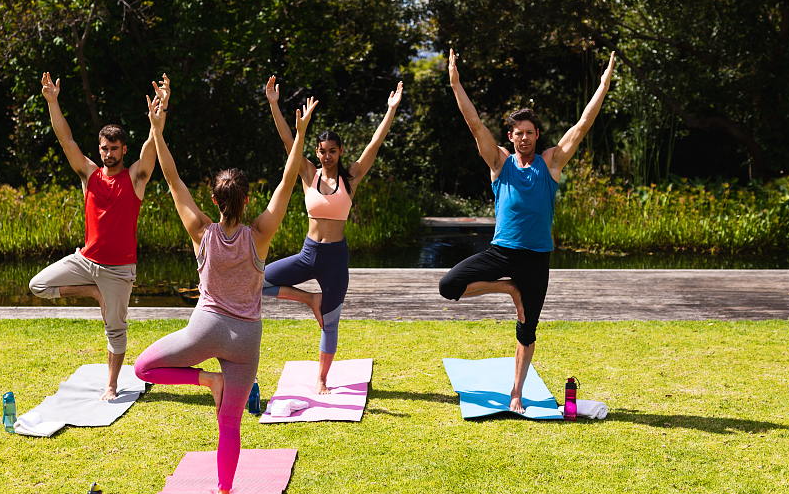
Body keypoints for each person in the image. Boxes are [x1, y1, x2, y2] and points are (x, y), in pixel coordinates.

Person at [134, 75, 315, 494]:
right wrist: (301, 133)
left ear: (214, 199)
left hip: (205, 330)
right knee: (229, 424)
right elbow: (290, 180)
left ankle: (205, 380)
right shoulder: (261, 234)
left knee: (143, 369)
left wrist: (158, 128)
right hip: (246, 341)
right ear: (247, 198)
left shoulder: (201, 231)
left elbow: (173, 181)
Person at [439, 49, 615, 414]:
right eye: (518, 134)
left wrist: (603, 85)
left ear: (537, 135)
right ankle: (508, 288)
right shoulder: (499, 162)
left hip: (536, 259)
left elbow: (582, 125)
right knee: (448, 286)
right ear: (511, 135)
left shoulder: (551, 162)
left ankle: (516, 392)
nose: (524, 139)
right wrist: (455, 83)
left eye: (530, 133)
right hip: (501, 252)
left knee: (527, 329)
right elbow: (475, 125)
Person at [260, 76, 404, 394]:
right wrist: (273, 104)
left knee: (331, 321)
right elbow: (288, 143)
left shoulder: (351, 176)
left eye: (333, 151)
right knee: (255, 280)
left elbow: (374, 145)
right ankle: (310, 298)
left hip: (335, 259)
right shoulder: (307, 172)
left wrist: (391, 110)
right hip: (308, 253)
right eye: (323, 151)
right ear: (316, 151)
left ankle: (322, 378)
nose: (327, 156)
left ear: (340, 152)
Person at [28, 73, 158, 400]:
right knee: (38, 286)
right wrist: (52, 101)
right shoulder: (89, 175)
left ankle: (111, 385)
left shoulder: (135, 178)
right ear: (99, 149)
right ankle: (94, 293)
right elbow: (66, 140)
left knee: (116, 330)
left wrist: (158, 118)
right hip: (85, 261)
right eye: (104, 148)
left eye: (114, 148)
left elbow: (151, 150)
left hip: (118, 270)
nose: (108, 153)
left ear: (123, 149)